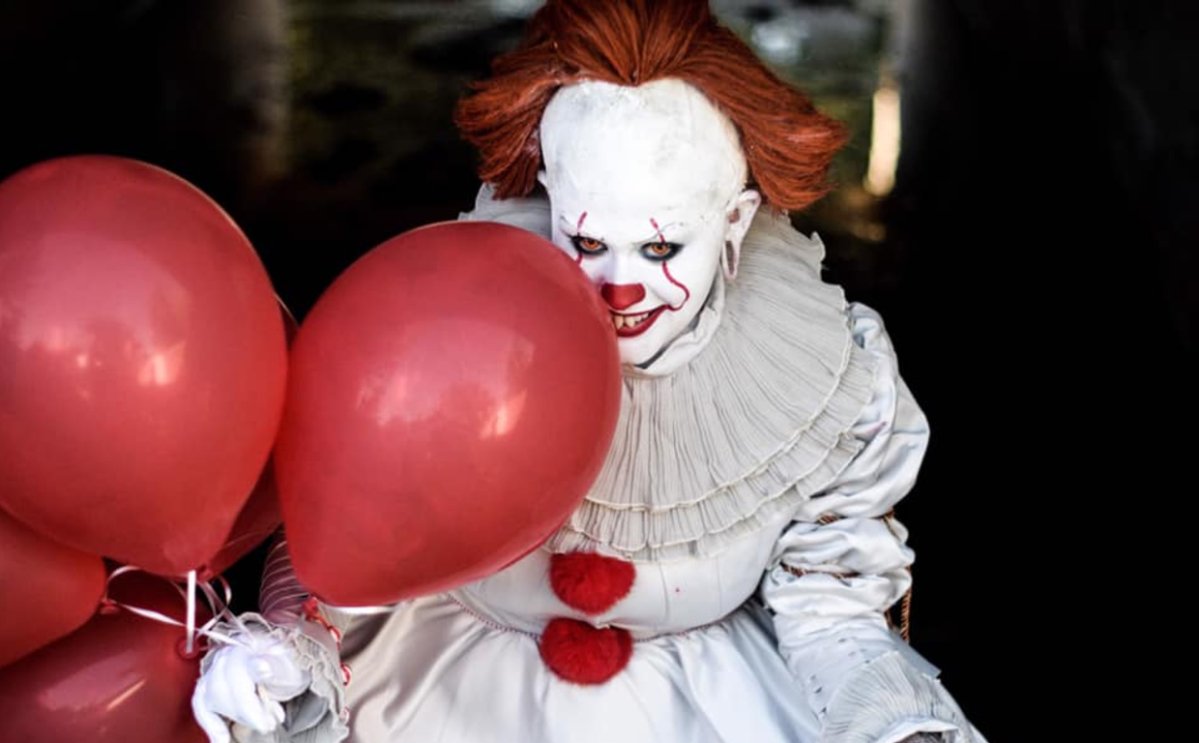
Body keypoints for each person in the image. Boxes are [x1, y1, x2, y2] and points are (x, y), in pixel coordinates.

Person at [192, 2, 985, 741]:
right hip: (444, 694)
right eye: (588, 241)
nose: (620, 289)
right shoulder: (441, 323)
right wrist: (286, 645)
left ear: (735, 220)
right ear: (550, 202)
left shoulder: (825, 376)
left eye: (661, 246)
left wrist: (897, 723)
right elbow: (348, 533)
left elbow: (832, 606)